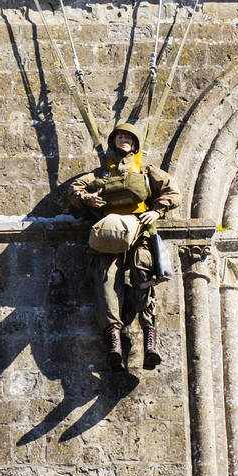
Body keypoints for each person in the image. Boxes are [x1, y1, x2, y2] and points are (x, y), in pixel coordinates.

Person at [58, 121, 180, 371]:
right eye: (120, 136)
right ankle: (114, 342)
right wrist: (88, 199)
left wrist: (157, 211)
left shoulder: (147, 171)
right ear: (113, 142)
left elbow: (173, 192)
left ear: (134, 144)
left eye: (128, 137)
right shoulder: (100, 174)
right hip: (109, 235)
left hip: (140, 232)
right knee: (106, 285)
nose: (124, 140)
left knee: (143, 278)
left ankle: (150, 342)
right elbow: (73, 189)